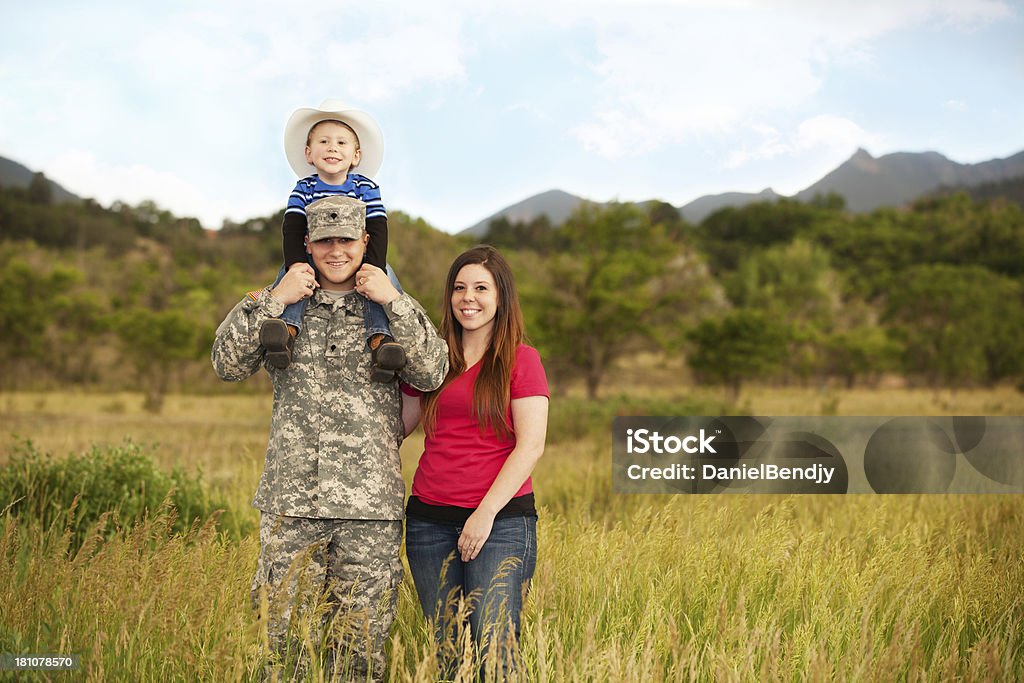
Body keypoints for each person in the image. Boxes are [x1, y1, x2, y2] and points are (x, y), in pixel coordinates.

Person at [211, 195, 448, 681]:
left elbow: (432, 373)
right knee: (280, 649)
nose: (335, 250)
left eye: (346, 239)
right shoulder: (283, 310)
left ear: (365, 241)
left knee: (359, 652)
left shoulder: (389, 307)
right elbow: (226, 364)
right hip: (292, 505)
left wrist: (393, 300)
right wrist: (276, 296)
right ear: (307, 243)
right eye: (324, 240)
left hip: (369, 512)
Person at [401, 245, 549, 678]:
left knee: (494, 649)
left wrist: (484, 514)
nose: (469, 297)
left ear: (501, 297)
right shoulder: (432, 360)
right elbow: (400, 425)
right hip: (429, 521)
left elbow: (531, 444)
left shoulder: (522, 359)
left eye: (481, 288)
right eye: (459, 287)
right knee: (446, 652)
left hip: (499, 523)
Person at [259, 98, 406, 381]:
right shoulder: (304, 189)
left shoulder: (366, 188)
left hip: (359, 260)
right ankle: (286, 331)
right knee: (290, 280)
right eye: (324, 142)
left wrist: (373, 266)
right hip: (312, 257)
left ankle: (381, 340)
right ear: (309, 153)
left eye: (341, 143)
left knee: (385, 282)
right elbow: (292, 227)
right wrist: (296, 265)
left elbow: (377, 227)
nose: (332, 148)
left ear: (356, 155)